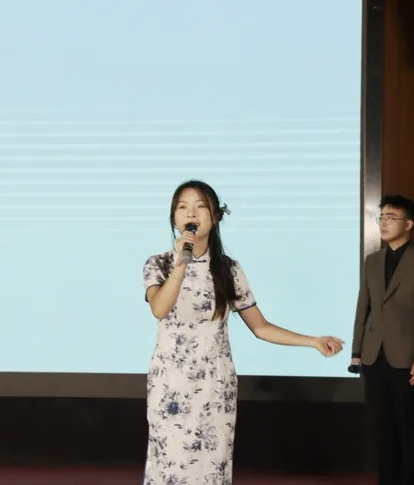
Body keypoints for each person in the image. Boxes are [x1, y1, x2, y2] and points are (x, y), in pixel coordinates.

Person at [142, 179, 344, 484]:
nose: (190, 213)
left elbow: (260, 326)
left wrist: (313, 341)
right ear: (174, 218)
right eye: (182, 207)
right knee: (171, 465)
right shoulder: (159, 263)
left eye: (200, 206)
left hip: (215, 384)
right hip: (171, 384)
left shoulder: (228, 269)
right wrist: (181, 264)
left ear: (215, 217)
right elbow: (159, 308)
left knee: (211, 467)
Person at [350, 195, 414, 485]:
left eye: (391, 218)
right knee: (382, 428)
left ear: (409, 224)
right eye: (381, 218)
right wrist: (356, 351)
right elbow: (363, 307)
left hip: (409, 359)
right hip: (374, 356)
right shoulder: (372, 261)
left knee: (409, 426)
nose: (384, 223)